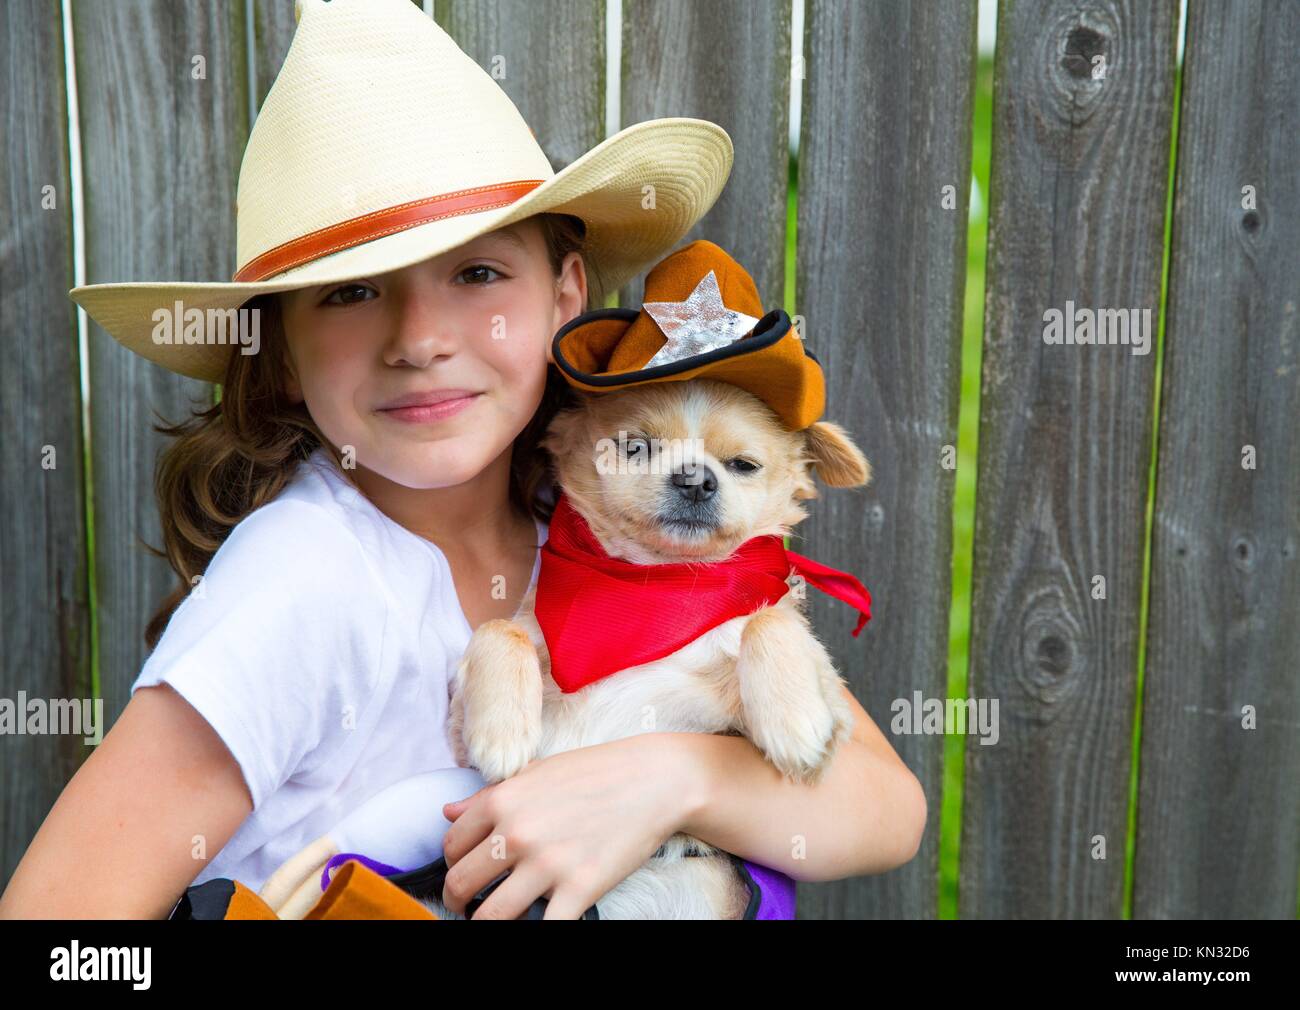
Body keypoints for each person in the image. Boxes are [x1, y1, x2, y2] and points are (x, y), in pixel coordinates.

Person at [0, 0, 925, 920]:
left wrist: (667, 779)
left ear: (565, 298)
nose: (420, 338)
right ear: (278, 353)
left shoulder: (597, 521)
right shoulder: (302, 582)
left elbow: (886, 810)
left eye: (477, 274)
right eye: (352, 292)